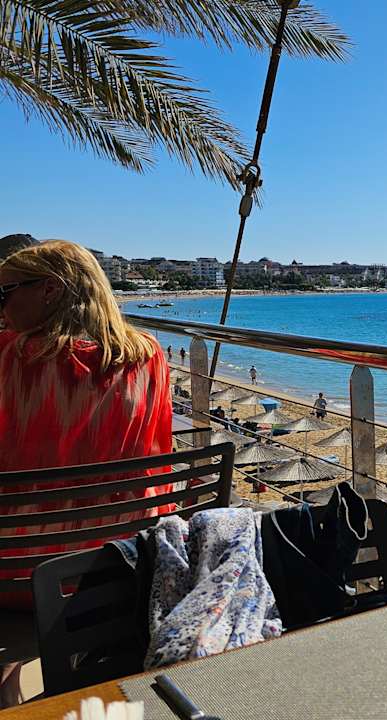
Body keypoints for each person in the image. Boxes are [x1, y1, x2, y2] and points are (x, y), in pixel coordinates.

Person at [0, 241, 173, 704]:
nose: (1, 307)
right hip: (118, 564)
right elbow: (157, 457)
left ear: (50, 290)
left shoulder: (11, 357)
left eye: (5, 293)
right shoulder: (149, 355)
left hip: (18, 577)